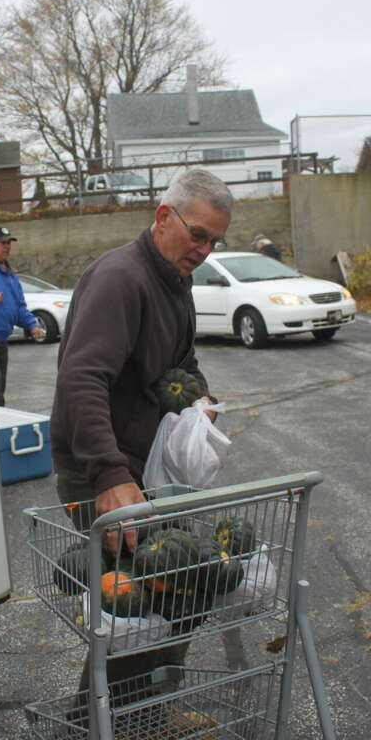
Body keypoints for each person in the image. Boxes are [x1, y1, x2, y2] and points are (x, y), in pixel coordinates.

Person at [49, 168, 234, 702]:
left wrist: (200, 400)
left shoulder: (176, 280)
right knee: (133, 606)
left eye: (214, 241)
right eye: (197, 234)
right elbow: (82, 378)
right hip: (102, 467)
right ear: (162, 216)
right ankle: (101, 722)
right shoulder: (121, 279)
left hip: (149, 466)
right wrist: (108, 476)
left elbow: (182, 363)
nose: (203, 249)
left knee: (176, 591)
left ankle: (148, 713)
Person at [0, 226, 44, 407]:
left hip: (2, 340)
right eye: (2, 243)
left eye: (9, 243)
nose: (6, 247)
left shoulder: (9, 273)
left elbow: (19, 307)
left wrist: (32, 326)